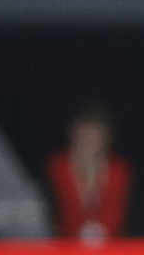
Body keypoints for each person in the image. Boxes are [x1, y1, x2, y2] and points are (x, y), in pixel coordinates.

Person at [46, 104, 132, 243]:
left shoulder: (119, 172)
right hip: (64, 250)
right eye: (84, 136)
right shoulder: (56, 169)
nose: (88, 142)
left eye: (95, 137)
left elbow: (118, 220)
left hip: (111, 251)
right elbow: (54, 218)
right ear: (73, 136)